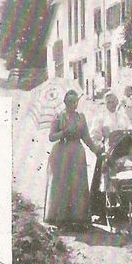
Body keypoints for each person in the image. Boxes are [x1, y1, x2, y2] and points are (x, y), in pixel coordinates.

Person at [45, 90, 101, 229]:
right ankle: (62, 219)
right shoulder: (59, 117)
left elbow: (86, 137)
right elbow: (51, 137)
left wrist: (96, 151)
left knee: (77, 184)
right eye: (69, 102)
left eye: (75, 102)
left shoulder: (80, 117)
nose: (72, 104)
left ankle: (78, 218)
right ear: (64, 102)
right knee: (63, 184)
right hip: (61, 153)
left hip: (77, 153)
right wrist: (63, 132)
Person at [89, 91, 132, 220]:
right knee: (104, 180)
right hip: (107, 151)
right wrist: (100, 145)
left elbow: (131, 131)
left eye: (114, 101)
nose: (112, 104)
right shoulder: (100, 117)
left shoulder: (123, 116)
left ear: (117, 102)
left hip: (121, 152)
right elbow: (94, 134)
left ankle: (123, 210)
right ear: (105, 103)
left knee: (123, 178)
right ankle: (103, 212)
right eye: (109, 102)